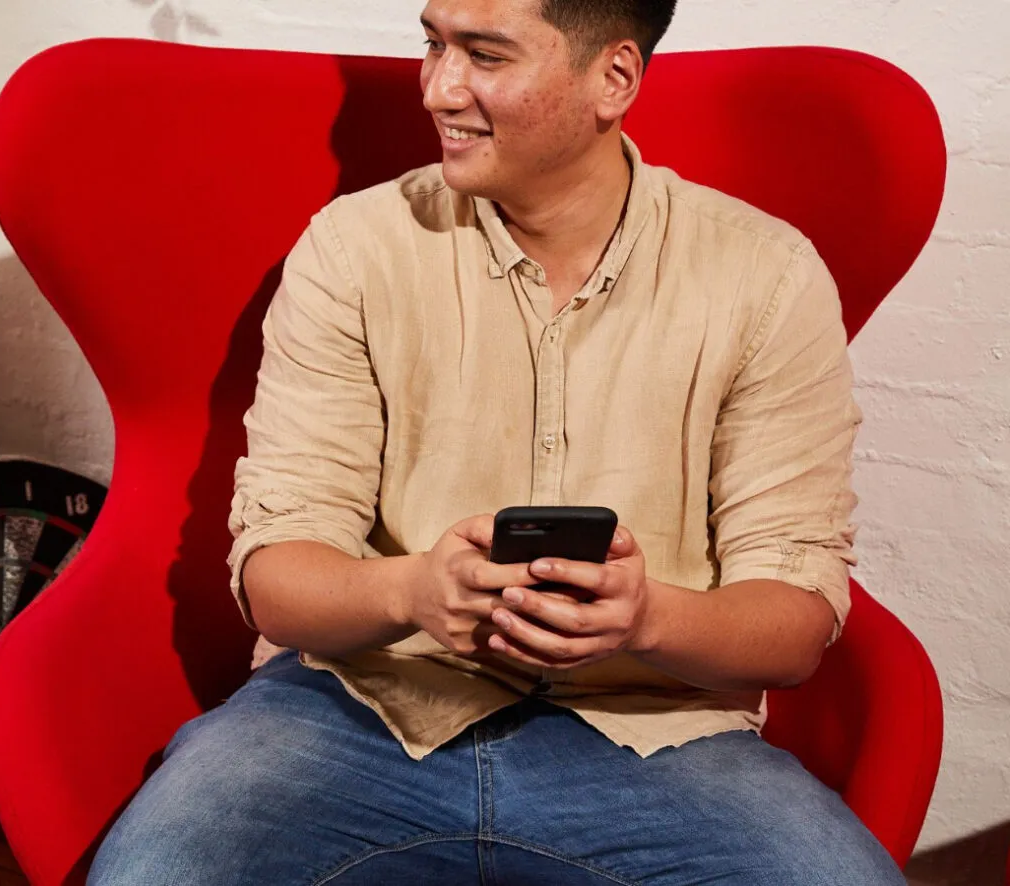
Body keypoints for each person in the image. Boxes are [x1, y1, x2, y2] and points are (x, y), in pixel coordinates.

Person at [88, 0, 907, 883]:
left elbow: (794, 621)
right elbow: (274, 575)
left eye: (483, 54)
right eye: (433, 45)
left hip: (655, 740)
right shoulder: (352, 250)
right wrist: (415, 589)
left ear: (614, 78)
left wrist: (648, 617)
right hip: (352, 712)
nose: (440, 88)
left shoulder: (766, 277)